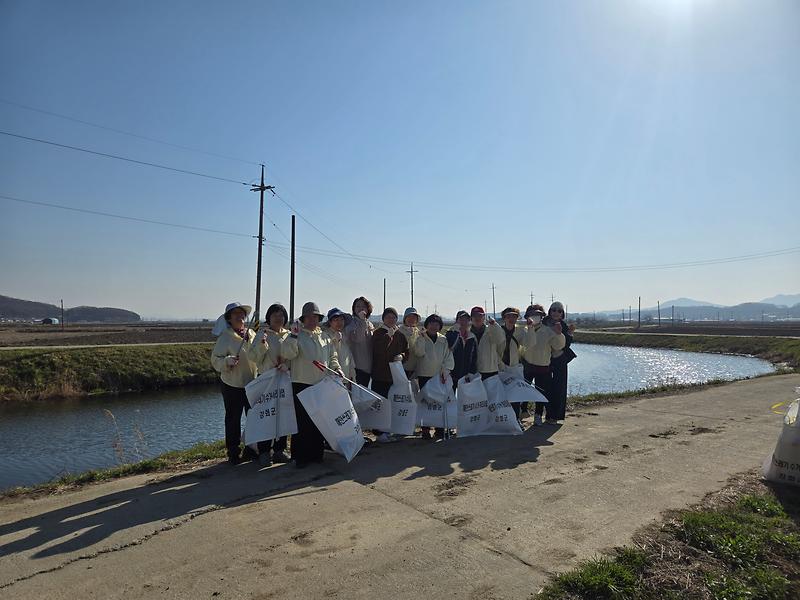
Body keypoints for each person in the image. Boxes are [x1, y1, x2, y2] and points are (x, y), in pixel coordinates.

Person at [281, 302, 342, 468]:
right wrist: (293, 336)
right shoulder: (296, 335)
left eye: (315, 316)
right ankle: (300, 457)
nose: (312, 320)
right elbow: (287, 354)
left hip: (321, 384)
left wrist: (337, 368)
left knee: (319, 420)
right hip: (301, 383)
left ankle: (316, 454)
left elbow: (332, 356)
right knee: (303, 422)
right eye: (309, 317)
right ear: (303, 318)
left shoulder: (324, 336)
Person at [210, 302, 260, 465]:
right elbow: (215, 360)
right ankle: (233, 451)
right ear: (229, 319)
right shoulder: (225, 337)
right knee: (233, 419)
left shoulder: (251, 333)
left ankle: (251, 448)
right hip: (232, 384)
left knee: (253, 417)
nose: (240, 317)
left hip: (252, 383)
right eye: (235, 315)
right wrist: (227, 361)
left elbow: (259, 355)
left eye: (241, 314)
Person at [251, 302, 291, 465]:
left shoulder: (289, 335)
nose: (278, 318)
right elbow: (254, 357)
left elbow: (294, 357)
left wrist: (287, 366)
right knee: (267, 415)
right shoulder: (261, 334)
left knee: (282, 415)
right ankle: (264, 451)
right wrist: (262, 345)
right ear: (269, 317)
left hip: (283, 379)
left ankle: (280, 450)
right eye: (275, 315)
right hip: (266, 379)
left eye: (281, 315)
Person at [520, 303, 565, 425]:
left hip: (543, 366)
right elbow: (524, 345)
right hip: (527, 365)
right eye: (532, 315)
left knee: (540, 392)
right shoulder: (523, 331)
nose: (534, 317)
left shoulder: (548, 331)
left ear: (542, 317)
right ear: (527, 316)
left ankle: (538, 414)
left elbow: (558, 346)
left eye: (538, 315)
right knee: (524, 390)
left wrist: (559, 334)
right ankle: (522, 412)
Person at [370, 306, 408, 443]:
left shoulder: (400, 334)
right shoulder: (378, 333)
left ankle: (390, 429)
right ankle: (379, 432)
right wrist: (388, 337)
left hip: (395, 375)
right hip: (380, 374)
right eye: (388, 317)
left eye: (393, 317)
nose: (391, 320)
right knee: (381, 403)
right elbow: (377, 350)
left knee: (393, 403)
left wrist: (402, 356)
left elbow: (406, 350)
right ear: (383, 319)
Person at [414, 314, 454, 439]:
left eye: (436, 324)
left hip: (439, 376)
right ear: (426, 325)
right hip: (424, 375)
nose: (433, 326)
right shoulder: (421, 337)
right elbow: (418, 353)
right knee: (426, 404)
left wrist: (446, 370)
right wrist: (420, 338)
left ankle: (439, 428)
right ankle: (425, 429)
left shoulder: (443, 339)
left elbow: (448, 357)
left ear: (440, 326)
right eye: (431, 323)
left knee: (439, 404)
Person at [544, 301, 575, 423]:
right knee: (545, 387)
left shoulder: (563, 325)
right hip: (545, 359)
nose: (556, 312)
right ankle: (545, 413)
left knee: (560, 387)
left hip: (560, 359)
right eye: (554, 310)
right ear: (549, 311)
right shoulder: (543, 323)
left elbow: (566, 345)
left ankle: (556, 416)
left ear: (562, 313)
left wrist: (570, 334)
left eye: (559, 311)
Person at [497, 306, 527, 420]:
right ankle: (503, 420)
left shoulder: (520, 331)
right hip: (500, 368)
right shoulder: (498, 330)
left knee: (516, 395)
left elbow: (529, 343)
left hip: (514, 367)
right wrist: (499, 363)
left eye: (514, 316)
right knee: (501, 395)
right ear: (504, 317)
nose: (511, 318)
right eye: (508, 316)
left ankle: (516, 419)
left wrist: (531, 328)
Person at [345, 296, 374, 388]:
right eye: (357, 306)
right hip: (357, 366)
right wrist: (362, 322)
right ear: (353, 309)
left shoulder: (369, 323)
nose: (360, 308)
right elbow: (358, 339)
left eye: (363, 306)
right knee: (357, 397)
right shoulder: (350, 323)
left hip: (369, 366)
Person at [469, 306, 505, 379]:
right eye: (475, 316)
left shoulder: (492, 330)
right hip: (473, 371)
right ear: (471, 318)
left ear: (484, 317)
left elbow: (500, 340)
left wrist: (494, 325)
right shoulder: (467, 333)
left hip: (490, 370)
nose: (477, 318)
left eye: (480, 316)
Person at [445, 310, 478, 387]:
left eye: (466, 320)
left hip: (466, 376)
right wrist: (456, 333)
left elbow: (474, 357)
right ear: (456, 321)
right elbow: (450, 349)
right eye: (461, 320)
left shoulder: (472, 337)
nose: (464, 322)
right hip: (451, 375)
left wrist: (471, 372)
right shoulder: (450, 334)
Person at [324, 307, 356, 382]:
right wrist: (336, 341)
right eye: (336, 320)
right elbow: (330, 356)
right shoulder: (325, 336)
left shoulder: (344, 336)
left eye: (342, 320)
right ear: (330, 322)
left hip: (345, 379)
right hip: (332, 379)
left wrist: (352, 376)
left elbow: (349, 358)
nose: (340, 322)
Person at [399, 307, 423, 379]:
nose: (411, 319)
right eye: (409, 317)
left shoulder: (419, 332)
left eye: (414, 318)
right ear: (405, 319)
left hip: (415, 369)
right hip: (401, 368)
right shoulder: (399, 331)